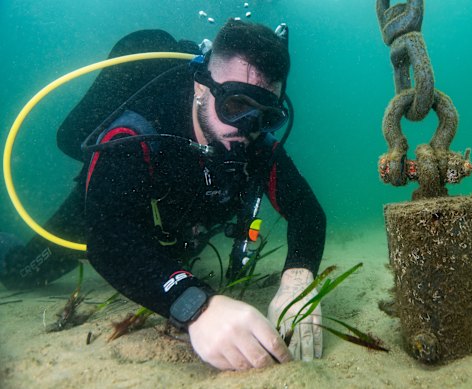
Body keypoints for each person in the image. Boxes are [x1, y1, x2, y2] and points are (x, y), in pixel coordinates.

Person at [0, 20, 326, 371]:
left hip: (176, 233)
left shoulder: (256, 143)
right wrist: (195, 303)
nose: (247, 129)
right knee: (19, 273)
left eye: (267, 116)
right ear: (201, 86)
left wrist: (298, 278)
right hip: (110, 210)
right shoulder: (137, 131)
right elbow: (109, 239)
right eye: (235, 107)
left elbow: (307, 212)